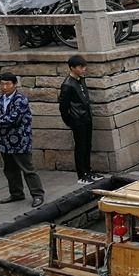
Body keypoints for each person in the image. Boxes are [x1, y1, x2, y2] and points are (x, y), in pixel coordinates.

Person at [0, 72, 44, 208]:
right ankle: (16, 193)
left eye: (8, 84)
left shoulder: (20, 100)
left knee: (27, 169)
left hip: (20, 140)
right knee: (10, 169)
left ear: (15, 84)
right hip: (4, 141)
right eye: (2, 84)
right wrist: (0, 119)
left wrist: (0, 119)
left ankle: (37, 194)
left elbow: (14, 119)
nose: (5, 87)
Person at [58, 55, 103, 185]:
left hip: (86, 117)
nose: (84, 69)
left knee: (87, 145)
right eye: (80, 67)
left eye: (84, 67)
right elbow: (63, 106)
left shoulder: (81, 80)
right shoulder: (67, 85)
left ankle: (88, 171)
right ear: (72, 68)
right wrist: (70, 121)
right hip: (77, 120)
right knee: (80, 147)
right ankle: (82, 174)